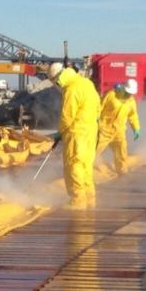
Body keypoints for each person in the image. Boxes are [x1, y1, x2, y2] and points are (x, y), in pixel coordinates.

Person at [48, 62, 101, 209]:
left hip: (77, 132)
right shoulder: (86, 83)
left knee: (74, 165)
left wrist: (60, 131)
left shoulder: (71, 89)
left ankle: (78, 201)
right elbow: (98, 104)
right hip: (91, 131)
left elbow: (67, 115)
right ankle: (90, 199)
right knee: (86, 166)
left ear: (58, 79)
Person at [96, 78, 140, 175]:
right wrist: (96, 117)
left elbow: (133, 116)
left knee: (121, 153)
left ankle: (122, 172)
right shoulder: (112, 95)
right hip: (104, 130)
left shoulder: (131, 102)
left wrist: (136, 128)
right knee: (93, 150)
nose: (129, 95)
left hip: (119, 131)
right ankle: (83, 170)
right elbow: (99, 106)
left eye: (131, 93)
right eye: (128, 92)